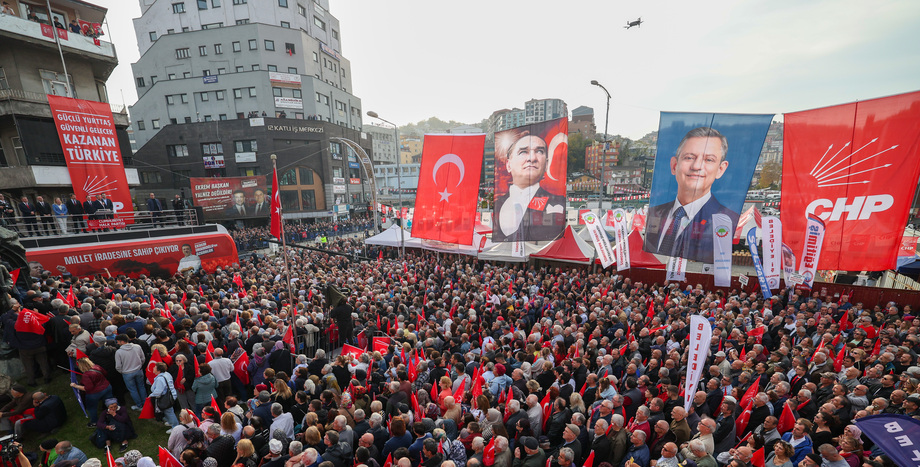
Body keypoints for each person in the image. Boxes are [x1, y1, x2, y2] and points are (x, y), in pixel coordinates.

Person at [643, 127, 739, 263]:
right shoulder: (654, 213)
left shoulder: (727, 221)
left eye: (709, 160)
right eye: (689, 157)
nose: (697, 166)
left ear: (720, 169)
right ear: (674, 165)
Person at [492, 128, 565, 242]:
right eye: (523, 152)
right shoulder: (497, 204)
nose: (532, 158)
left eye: (539, 151)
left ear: (546, 164)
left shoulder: (558, 202)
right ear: (508, 165)